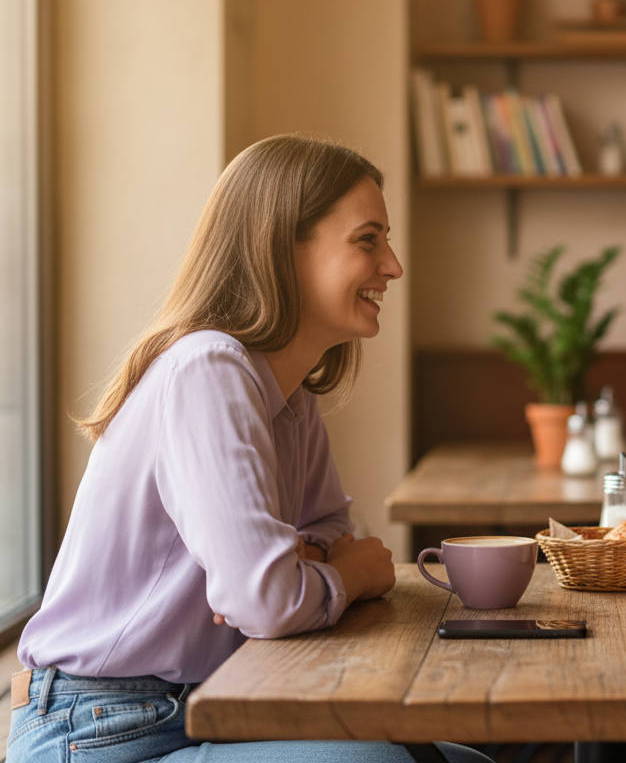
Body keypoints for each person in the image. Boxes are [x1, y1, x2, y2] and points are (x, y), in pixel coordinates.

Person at [9, 136, 493, 763]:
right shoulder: (207, 370)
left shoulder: (292, 395)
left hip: (216, 700)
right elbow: (267, 599)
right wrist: (347, 573)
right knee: (384, 762)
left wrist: (292, 569)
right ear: (282, 248)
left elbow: (325, 533)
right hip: (102, 728)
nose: (393, 266)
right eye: (367, 240)